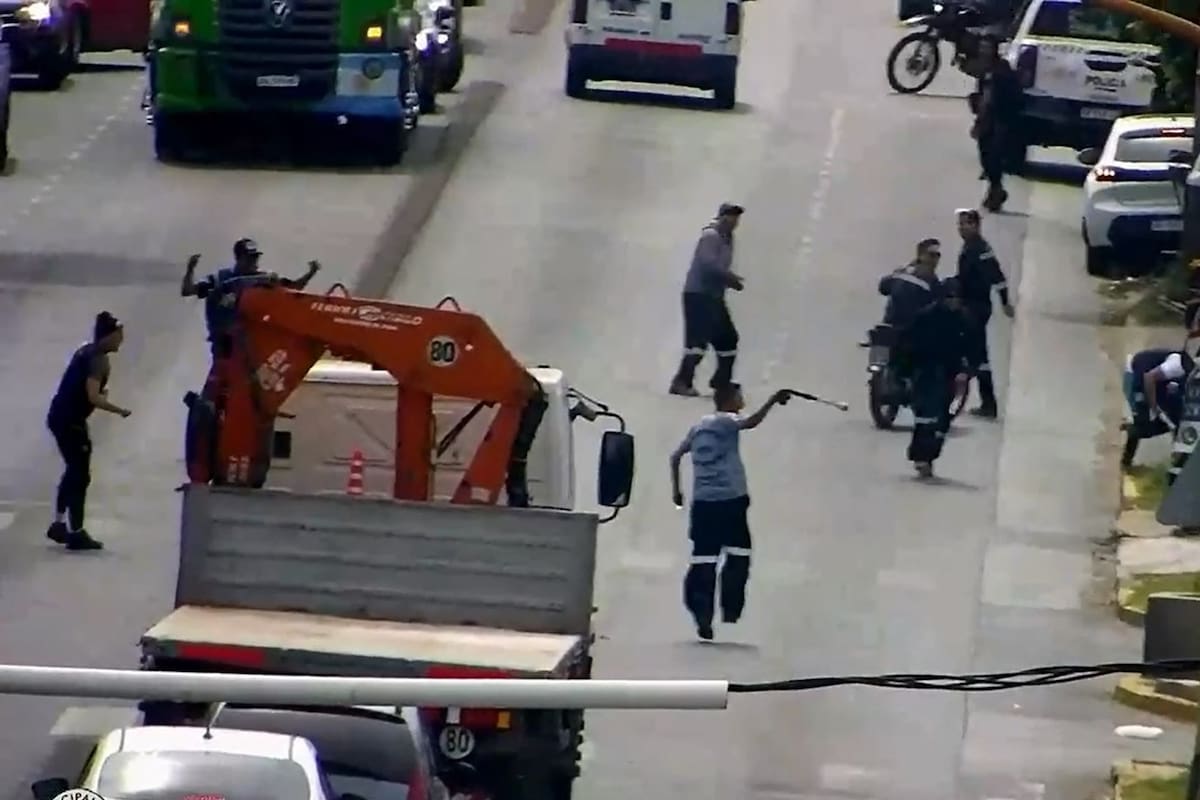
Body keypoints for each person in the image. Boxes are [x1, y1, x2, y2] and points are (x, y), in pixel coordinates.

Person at [669, 383, 791, 640]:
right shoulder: (728, 421)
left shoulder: (699, 426)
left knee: (703, 559)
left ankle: (702, 613)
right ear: (729, 399)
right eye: (739, 396)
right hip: (731, 501)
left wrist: (677, 492)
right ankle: (730, 607)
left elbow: (675, 456)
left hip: (702, 505)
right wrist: (773, 399)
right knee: (739, 554)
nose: (742, 400)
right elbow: (752, 422)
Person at [45, 312, 132, 551]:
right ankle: (76, 532)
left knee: (73, 470)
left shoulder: (87, 351)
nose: (121, 340)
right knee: (80, 475)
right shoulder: (97, 360)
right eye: (118, 335)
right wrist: (119, 410)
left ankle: (60, 523)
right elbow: (92, 395)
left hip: (59, 416)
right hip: (70, 421)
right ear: (107, 336)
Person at [181, 238, 321, 361]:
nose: (254, 262)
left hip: (253, 343)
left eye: (255, 258)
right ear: (239, 258)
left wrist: (310, 273)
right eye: (250, 258)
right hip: (224, 345)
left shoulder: (264, 278)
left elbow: (294, 287)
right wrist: (190, 269)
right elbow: (188, 290)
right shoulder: (221, 278)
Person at [669, 203, 746, 397]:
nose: (735, 221)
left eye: (737, 218)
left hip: (713, 296)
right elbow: (708, 265)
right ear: (722, 217)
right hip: (698, 295)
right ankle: (681, 382)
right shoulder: (711, 236)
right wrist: (730, 278)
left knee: (727, 339)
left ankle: (722, 381)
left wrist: (728, 280)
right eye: (731, 217)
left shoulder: (728, 238)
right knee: (697, 342)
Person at [907, 278, 971, 478]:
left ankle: (931, 455)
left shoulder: (963, 319)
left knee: (944, 418)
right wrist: (909, 372)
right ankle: (920, 457)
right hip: (926, 372)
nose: (955, 302)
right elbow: (909, 345)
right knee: (925, 417)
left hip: (949, 374)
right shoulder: (925, 317)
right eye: (951, 298)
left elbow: (971, 345)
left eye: (958, 298)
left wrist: (967, 369)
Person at [956, 208, 1014, 419]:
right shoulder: (970, 246)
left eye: (966, 224)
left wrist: (1005, 301)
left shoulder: (980, 249)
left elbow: (996, 276)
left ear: (976, 225)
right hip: (969, 305)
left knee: (976, 354)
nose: (962, 228)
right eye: (960, 224)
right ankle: (984, 400)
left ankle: (987, 403)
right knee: (978, 354)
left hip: (976, 307)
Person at [970, 36, 1022, 212]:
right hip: (988, 118)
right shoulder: (984, 69)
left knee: (994, 156)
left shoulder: (1001, 70)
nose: (984, 51)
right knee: (985, 154)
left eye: (987, 48)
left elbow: (993, 98)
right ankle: (995, 188)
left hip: (1001, 118)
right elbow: (982, 94)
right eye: (982, 48)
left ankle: (996, 190)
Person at [1121, 347, 1194, 468]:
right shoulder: (1178, 365)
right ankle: (1125, 462)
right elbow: (1149, 378)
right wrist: (1154, 406)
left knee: (1173, 420)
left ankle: (1178, 463)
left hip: (1157, 381)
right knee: (1142, 419)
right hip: (1136, 375)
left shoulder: (1190, 371)